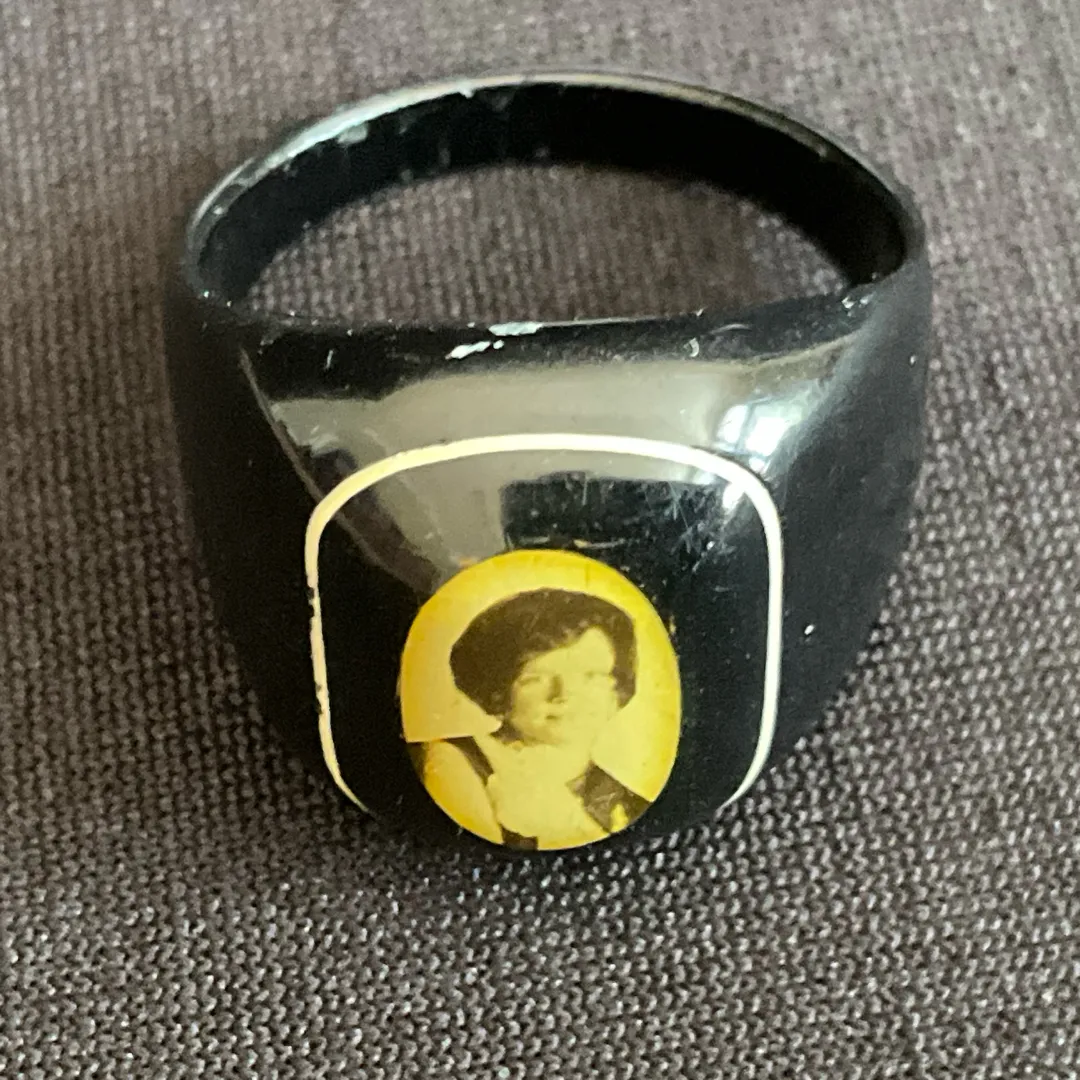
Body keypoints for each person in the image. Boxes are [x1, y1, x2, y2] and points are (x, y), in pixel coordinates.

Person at [421, 588, 650, 849]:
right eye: (536, 679)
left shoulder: (629, 806)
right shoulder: (452, 762)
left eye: (591, 676)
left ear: (616, 690)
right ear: (499, 692)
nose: (564, 696)